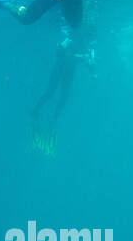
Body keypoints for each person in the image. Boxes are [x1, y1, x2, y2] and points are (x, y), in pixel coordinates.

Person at [30, 24, 93, 155]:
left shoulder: (87, 45)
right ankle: (35, 111)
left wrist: (92, 68)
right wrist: (81, 57)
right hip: (59, 69)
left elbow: (90, 62)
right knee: (50, 93)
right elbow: (59, 52)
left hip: (69, 73)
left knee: (65, 96)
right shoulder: (70, 38)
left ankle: (53, 117)